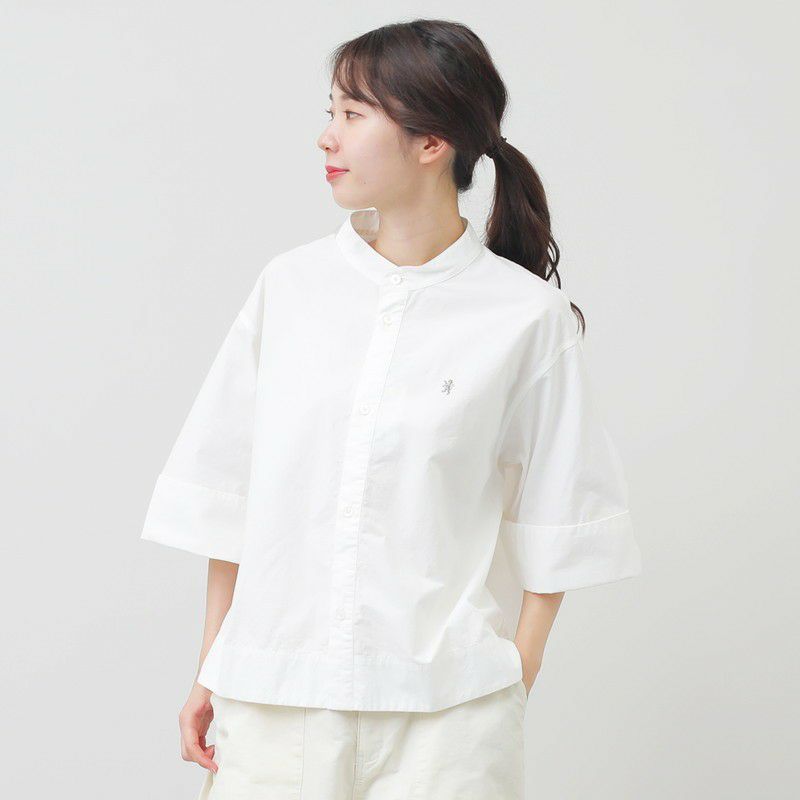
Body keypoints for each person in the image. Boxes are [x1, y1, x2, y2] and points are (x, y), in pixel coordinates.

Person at [140, 18, 642, 800]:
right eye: (331, 111)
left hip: (446, 722)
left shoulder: (524, 317)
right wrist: (214, 666)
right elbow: (229, 495)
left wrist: (514, 681)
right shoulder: (291, 289)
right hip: (275, 703)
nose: (326, 136)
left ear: (431, 141)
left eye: (352, 114)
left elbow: (561, 511)